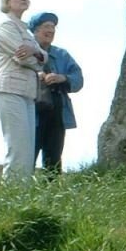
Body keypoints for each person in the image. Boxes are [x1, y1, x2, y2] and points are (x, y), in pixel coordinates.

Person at [0, 0, 46, 181]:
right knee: (18, 147)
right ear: (7, 1)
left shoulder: (27, 32)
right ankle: (12, 197)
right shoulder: (4, 26)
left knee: (27, 149)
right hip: (9, 90)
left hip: (27, 93)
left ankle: (23, 196)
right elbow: (24, 58)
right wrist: (37, 55)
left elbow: (42, 55)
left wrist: (36, 52)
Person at [29, 12, 84, 174]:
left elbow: (78, 79)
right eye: (46, 26)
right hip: (32, 111)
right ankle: (20, 194)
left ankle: (50, 196)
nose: (51, 31)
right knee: (26, 156)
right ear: (35, 30)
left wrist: (62, 78)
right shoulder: (27, 51)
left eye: (53, 27)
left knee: (53, 159)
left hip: (57, 112)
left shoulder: (62, 55)